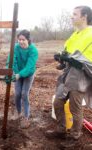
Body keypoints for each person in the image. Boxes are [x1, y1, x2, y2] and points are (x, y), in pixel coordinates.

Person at [45, 6, 92, 148]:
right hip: (68, 74)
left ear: (84, 17)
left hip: (81, 77)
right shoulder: (75, 34)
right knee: (58, 103)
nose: (72, 17)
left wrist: (79, 61)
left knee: (75, 108)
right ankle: (61, 129)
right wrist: (61, 57)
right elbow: (67, 52)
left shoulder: (91, 33)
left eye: (74, 14)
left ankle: (75, 136)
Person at [7, 30, 38, 129]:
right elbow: (11, 60)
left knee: (24, 94)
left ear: (28, 40)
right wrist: (12, 72)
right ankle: (19, 112)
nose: (20, 42)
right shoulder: (16, 48)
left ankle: (26, 116)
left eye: (23, 39)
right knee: (17, 94)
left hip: (28, 74)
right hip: (18, 73)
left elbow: (29, 67)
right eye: (19, 39)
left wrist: (19, 75)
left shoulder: (33, 51)